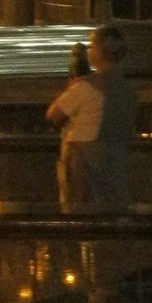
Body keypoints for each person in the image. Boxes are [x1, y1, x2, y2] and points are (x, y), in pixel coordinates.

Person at [46, 25, 138, 212]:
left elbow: (53, 115)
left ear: (99, 52)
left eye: (91, 46)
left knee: (80, 212)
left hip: (84, 163)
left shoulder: (86, 87)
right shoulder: (128, 90)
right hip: (116, 161)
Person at [54, 41, 93, 209]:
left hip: (74, 144)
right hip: (90, 148)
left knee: (72, 194)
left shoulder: (78, 86)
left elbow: (54, 114)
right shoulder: (95, 86)